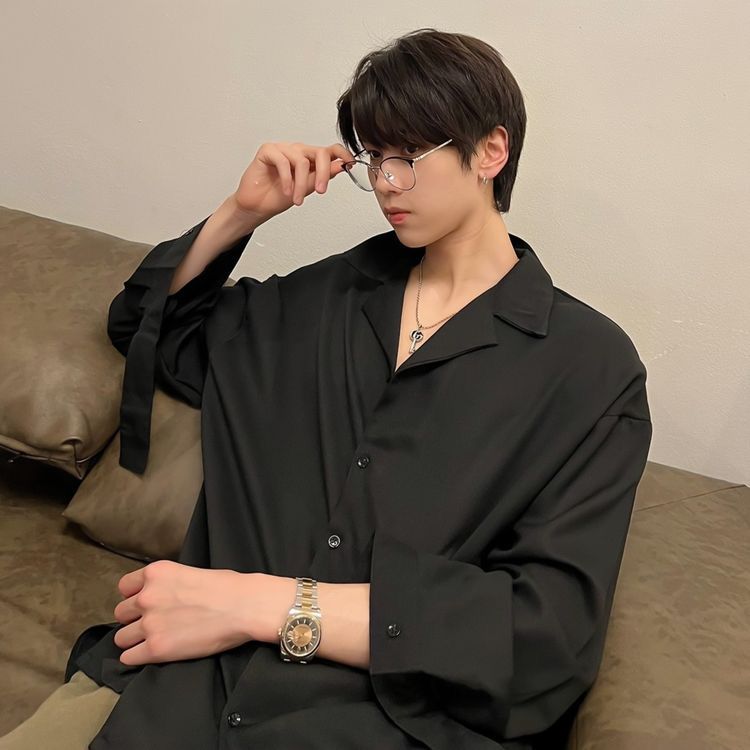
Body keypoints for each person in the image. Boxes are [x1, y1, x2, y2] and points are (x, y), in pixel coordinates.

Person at [0, 27, 652, 750]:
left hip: (380, 722)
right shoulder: (332, 296)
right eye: (375, 158)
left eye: (409, 156)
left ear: (490, 152)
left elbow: (543, 634)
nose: (387, 184)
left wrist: (261, 604)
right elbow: (154, 330)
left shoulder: (590, 369)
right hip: (174, 692)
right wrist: (243, 212)